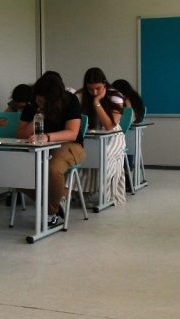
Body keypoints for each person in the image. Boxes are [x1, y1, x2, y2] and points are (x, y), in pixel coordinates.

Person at [17, 71, 85, 227]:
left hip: (70, 145)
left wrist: (47, 137)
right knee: (16, 173)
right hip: (40, 147)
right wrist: (39, 114)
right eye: (37, 99)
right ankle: (57, 200)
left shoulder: (70, 100)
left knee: (53, 169)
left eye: (43, 100)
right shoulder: (33, 105)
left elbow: (72, 133)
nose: (39, 102)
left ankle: (50, 213)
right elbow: (20, 134)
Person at [79, 67, 127, 206]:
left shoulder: (116, 96)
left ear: (105, 84)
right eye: (90, 89)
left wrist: (97, 103)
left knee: (103, 156)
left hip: (113, 137)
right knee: (84, 155)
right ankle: (83, 193)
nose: (94, 92)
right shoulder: (82, 95)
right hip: (91, 135)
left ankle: (105, 195)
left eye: (98, 88)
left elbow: (109, 126)